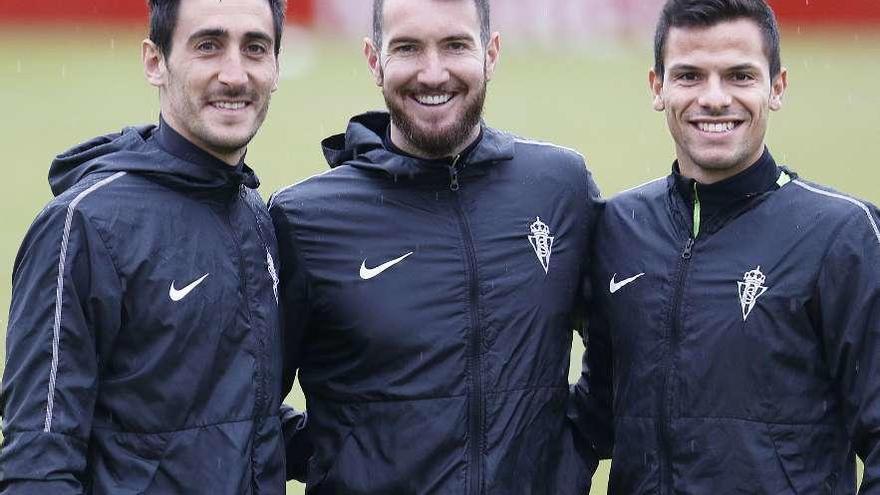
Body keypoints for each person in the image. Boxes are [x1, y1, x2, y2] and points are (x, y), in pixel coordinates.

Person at [269, 0, 602, 492]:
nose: (432, 72)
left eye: (455, 45)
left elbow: (624, 346)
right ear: (373, 60)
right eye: (407, 48)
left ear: (491, 53)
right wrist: (336, 455)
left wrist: (568, 449)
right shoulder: (305, 218)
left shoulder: (560, 187)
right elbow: (243, 401)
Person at [572, 0, 880, 492]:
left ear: (777, 87)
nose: (714, 98)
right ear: (658, 87)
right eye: (690, 76)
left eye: (739, 76)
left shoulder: (843, 235)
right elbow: (599, 410)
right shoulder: (617, 227)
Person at [0, 0, 304, 492]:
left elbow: (236, 419)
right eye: (208, 46)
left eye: (255, 48)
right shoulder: (81, 226)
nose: (234, 74)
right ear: (155, 61)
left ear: (275, 67)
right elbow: (39, 462)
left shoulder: (253, 213)